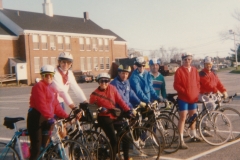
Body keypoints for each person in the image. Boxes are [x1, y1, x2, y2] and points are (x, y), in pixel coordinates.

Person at [27, 65, 81, 160]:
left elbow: (56, 106)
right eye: (46, 75)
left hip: (46, 118)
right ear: (42, 76)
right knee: (37, 147)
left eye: (51, 75)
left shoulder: (51, 89)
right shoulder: (38, 86)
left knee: (47, 145)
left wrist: (67, 116)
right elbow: (41, 105)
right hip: (36, 117)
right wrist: (50, 117)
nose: (48, 77)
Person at [89, 73, 133, 160]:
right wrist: (98, 109)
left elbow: (120, 100)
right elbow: (91, 109)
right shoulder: (94, 94)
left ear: (109, 82)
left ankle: (126, 158)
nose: (104, 83)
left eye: (106, 81)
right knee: (114, 141)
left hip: (113, 116)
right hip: (103, 117)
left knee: (126, 139)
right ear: (98, 82)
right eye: (101, 81)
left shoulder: (112, 89)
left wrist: (128, 110)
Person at [173, 53, 202, 149]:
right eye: (185, 60)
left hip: (193, 98)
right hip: (183, 98)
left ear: (191, 60)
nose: (187, 61)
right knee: (183, 117)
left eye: (189, 59)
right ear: (182, 60)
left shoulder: (194, 70)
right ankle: (180, 140)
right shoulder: (179, 71)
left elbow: (198, 82)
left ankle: (193, 135)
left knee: (193, 117)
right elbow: (176, 85)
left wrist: (196, 91)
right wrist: (185, 91)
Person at [199, 56, 228, 137]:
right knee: (211, 105)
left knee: (217, 104)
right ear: (204, 64)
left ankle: (207, 122)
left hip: (210, 94)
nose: (209, 65)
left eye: (210, 64)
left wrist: (224, 91)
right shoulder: (202, 74)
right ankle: (203, 125)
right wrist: (217, 91)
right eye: (207, 64)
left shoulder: (213, 73)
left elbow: (218, 83)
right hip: (202, 94)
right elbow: (208, 85)